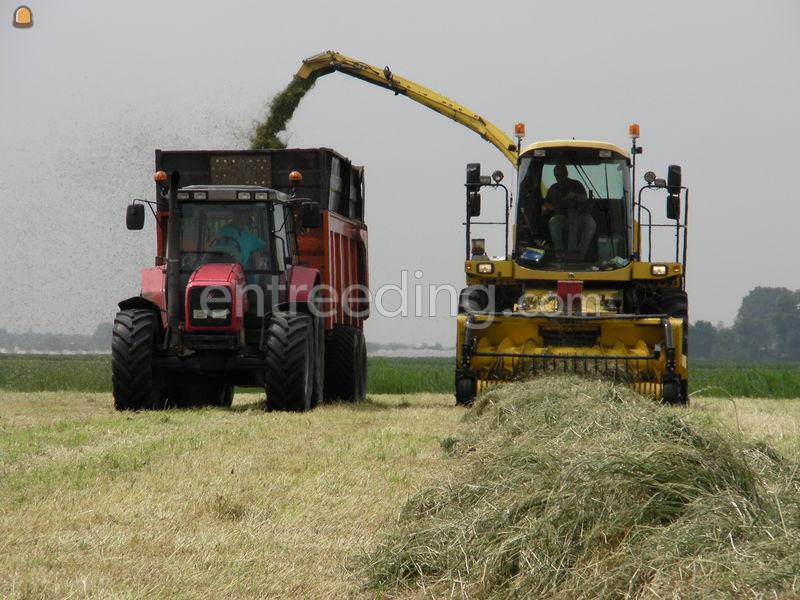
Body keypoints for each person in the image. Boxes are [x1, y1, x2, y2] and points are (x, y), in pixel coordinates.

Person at [541, 164, 597, 261]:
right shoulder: (553, 189)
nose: (559, 177)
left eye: (561, 174)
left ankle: (580, 255)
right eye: (556, 175)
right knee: (553, 222)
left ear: (566, 173)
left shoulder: (576, 184)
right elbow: (546, 205)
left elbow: (585, 199)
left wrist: (575, 196)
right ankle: (560, 253)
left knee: (591, 223)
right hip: (562, 218)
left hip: (580, 216)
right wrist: (546, 208)